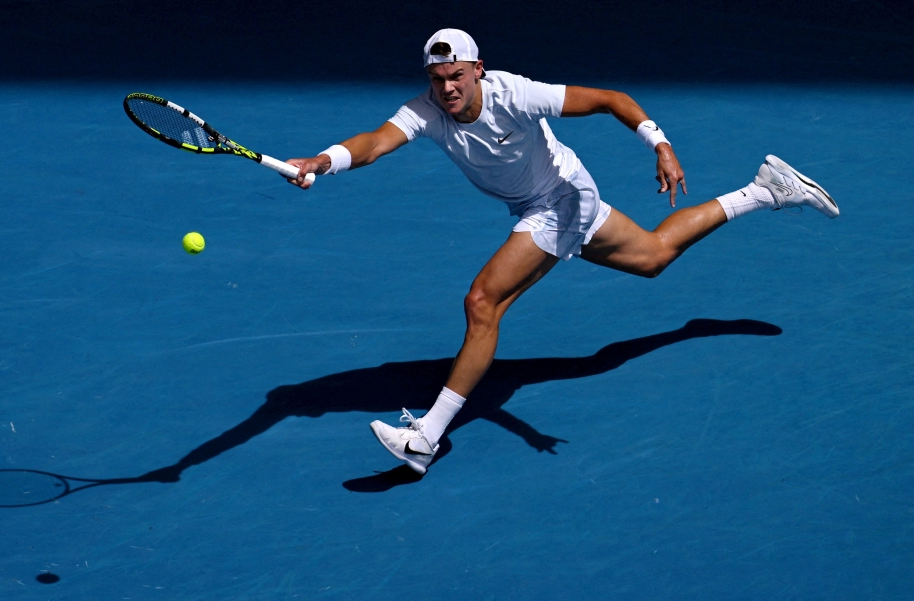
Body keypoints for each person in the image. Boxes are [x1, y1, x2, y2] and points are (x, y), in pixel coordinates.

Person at [286, 28, 838, 475]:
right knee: (652, 256)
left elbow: (609, 100)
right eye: (437, 80)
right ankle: (766, 190)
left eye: (456, 76)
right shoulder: (427, 111)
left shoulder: (515, 94)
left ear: (478, 70)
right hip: (543, 201)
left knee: (483, 303)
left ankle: (427, 436)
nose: (447, 89)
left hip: (562, 198)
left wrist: (661, 144)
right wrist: (322, 160)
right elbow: (375, 142)